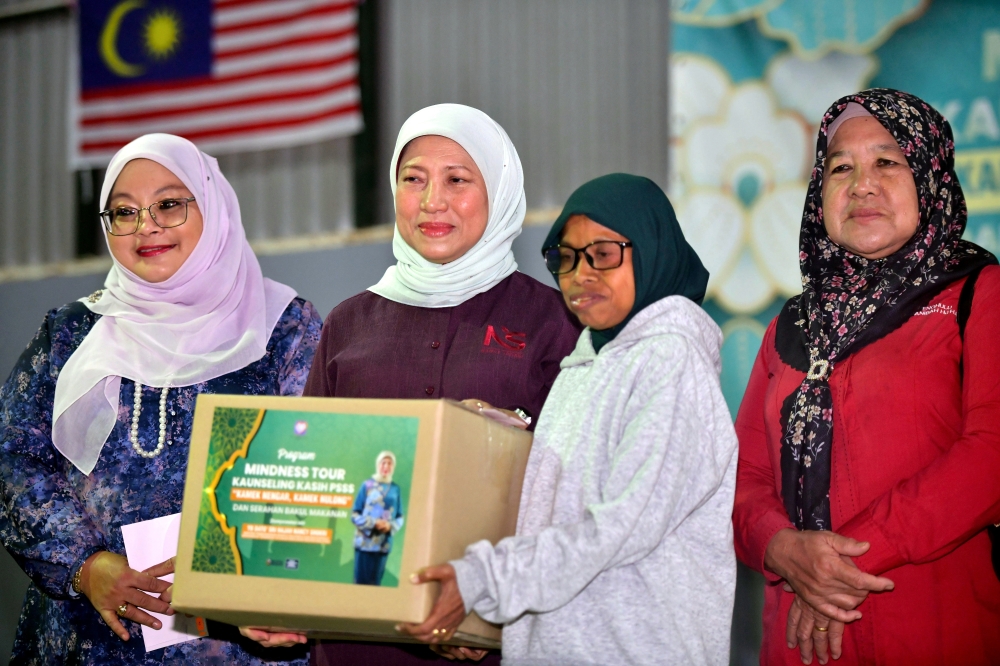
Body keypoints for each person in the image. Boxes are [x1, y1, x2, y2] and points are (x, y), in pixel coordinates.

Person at [0, 134, 322, 665]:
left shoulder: (283, 328)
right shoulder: (69, 335)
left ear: (211, 205)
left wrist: (257, 587)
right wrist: (83, 565)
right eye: (123, 212)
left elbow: (316, 470)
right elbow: (13, 456)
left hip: (241, 639)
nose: (146, 225)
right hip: (91, 636)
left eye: (169, 204)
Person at [399, 173, 739, 665]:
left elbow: (618, 527)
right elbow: (552, 526)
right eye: (566, 258)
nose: (581, 274)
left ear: (649, 251)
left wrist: (482, 582)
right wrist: (489, 620)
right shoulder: (585, 365)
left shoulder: (671, 361)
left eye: (603, 255)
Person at [302, 103, 581, 665]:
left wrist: (489, 605)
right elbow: (314, 478)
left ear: (498, 191)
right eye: (414, 179)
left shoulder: (553, 321)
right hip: (356, 640)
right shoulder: (348, 323)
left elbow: (572, 494)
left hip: (495, 633)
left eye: (457, 180)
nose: (432, 202)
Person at [732, 89, 1000, 665]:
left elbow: (991, 457)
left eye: (887, 161)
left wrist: (839, 565)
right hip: (797, 643)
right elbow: (743, 476)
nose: (862, 185)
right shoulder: (792, 325)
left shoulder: (980, 295)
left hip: (935, 631)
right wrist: (783, 550)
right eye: (841, 168)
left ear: (928, 177)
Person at [352, 451, 405, 586]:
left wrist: (390, 526)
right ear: (378, 464)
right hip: (364, 543)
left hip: (383, 544)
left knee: (375, 584)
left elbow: (400, 516)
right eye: (383, 463)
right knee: (360, 583)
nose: (386, 466)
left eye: (390, 463)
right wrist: (373, 523)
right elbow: (355, 514)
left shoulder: (395, 489)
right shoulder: (367, 485)